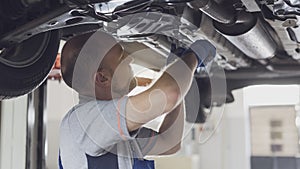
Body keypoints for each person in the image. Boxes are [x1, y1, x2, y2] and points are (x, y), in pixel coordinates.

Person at [59, 30, 215, 169]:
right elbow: (169, 94)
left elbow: (169, 143)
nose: (130, 60)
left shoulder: (108, 130)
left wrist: (179, 73)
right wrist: (192, 58)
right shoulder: (82, 123)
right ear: (102, 77)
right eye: (121, 57)